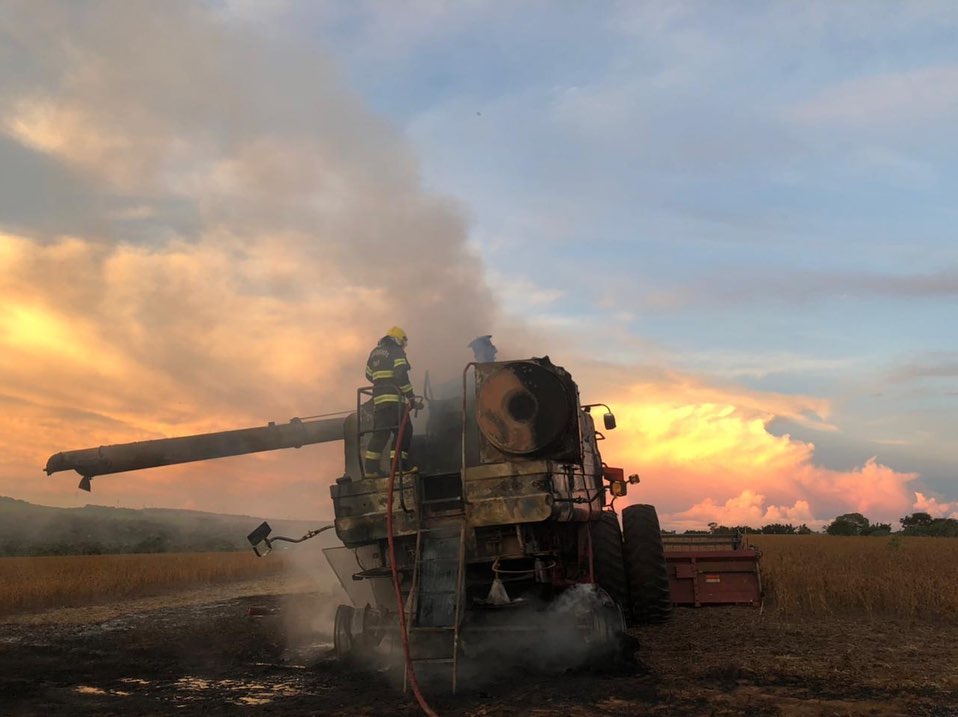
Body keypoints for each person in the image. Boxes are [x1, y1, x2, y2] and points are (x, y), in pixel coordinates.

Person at [364, 326, 418, 476]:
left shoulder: (374, 353)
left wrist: (381, 381)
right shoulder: (396, 351)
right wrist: (411, 396)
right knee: (405, 431)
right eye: (402, 342)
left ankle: (371, 470)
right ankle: (399, 467)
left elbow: (368, 375)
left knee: (381, 434)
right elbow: (401, 374)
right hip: (394, 401)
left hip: (379, 401)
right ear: (397, 340)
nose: (403, 346)